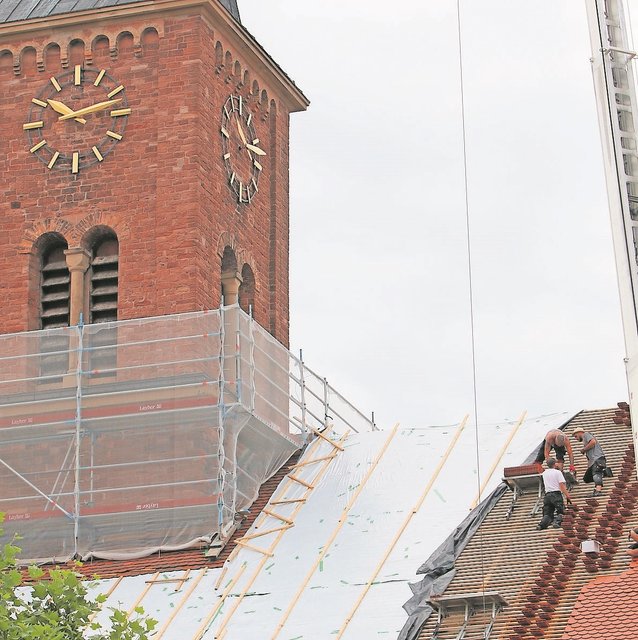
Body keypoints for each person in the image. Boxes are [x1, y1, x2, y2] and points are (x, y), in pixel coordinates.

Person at [537, 457, 572, 530]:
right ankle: (557, 522)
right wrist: (568, 496)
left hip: (547, 495)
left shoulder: (544, 473)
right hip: (556, 494)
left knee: (547, 513)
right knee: (561, 510)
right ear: (555, 464)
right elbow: (562, 486)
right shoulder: (558, 473)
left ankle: (541, 525)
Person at [572, 427, 607, 497]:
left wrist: (584, 449)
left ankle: (598, 490)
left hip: (598, 458)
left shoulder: (586, 434)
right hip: (594, 461)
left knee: (596, 472)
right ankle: (602, 474)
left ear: (579, 433)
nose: (576, 438)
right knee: (586, 478)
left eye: (576, 436)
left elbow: (593, 442)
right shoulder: (585, 440)